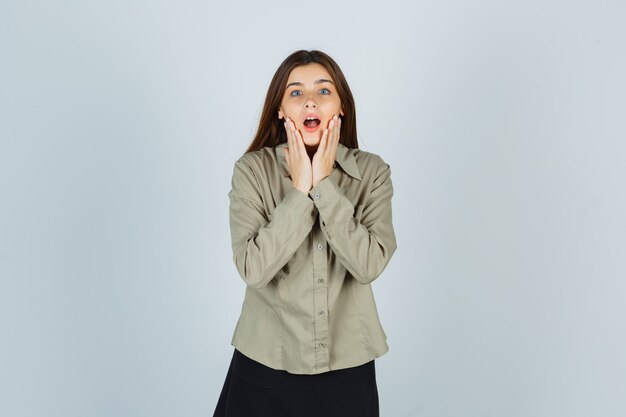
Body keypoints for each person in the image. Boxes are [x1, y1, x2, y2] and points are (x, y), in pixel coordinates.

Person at [213, 49, 397, 417]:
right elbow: (253, 268)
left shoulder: (373, 173)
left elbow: (368, 265)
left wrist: (324, 185)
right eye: (295, 92)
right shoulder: (252, 171)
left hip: (347, 368)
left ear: (342, 105)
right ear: (280, 109)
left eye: (324, 90)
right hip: (263, 364)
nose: (310, 100)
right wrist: (298, 192)